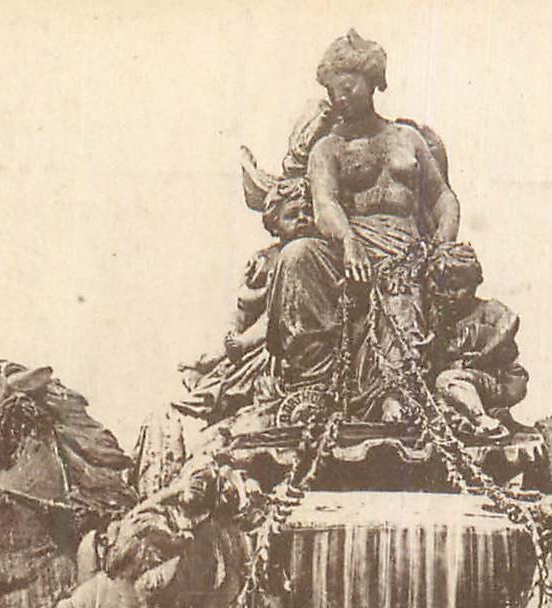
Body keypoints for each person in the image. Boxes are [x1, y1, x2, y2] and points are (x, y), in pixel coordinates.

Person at [265, 30, 462, 421]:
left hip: (406, 251)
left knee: (401, 294)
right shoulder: (328, 149)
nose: (340, 98)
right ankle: (313, 383)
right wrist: (350, 242)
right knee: (297, 255)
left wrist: (442, 244)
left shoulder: (408, 139)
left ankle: (392, 394)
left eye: (349, 87)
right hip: (349, 247)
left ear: (374, 82)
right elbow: (325, 204)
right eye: (334, 90)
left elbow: (442, 197)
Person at [174, 177, 316, 425]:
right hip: (258, 338)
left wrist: (242, 342)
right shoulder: (265, 260)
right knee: (225, 368)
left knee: (255, 363)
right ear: (274, 224)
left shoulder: (314, 259)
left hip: (284, 338)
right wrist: (229, 338)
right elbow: (243, 308)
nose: (303, 219)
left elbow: (276, 315)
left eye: (308, 212)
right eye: (293, 214)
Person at [425, 244, 528, 440]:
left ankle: (485, 423)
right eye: (443, 289)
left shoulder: (488, 309)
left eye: (456, 288)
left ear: (475, 282)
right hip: (463, 384)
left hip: (495, 382)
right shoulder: (442, 318)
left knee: (447, 381)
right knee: (440, 394)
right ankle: (463, 422)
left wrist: (483, 354)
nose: (450, 296)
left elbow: (511, 321)